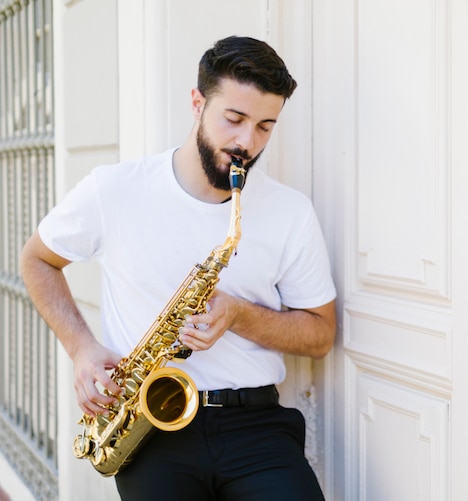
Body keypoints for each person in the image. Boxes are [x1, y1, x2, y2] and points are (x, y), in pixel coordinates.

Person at [20, 35, 336, 500]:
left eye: (265, 126)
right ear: (197, 103)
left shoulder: (291, 211)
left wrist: (240, 314)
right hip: (151, 431)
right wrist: (82, 349)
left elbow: (320, 336)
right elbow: (37, 260)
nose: (247, 142)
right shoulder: (115, 189)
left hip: (257, 428)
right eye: (235, 119)